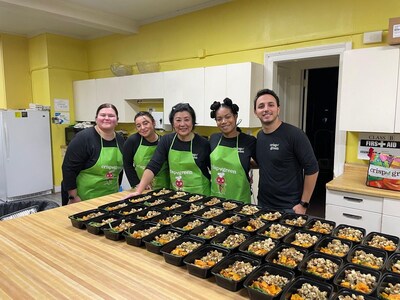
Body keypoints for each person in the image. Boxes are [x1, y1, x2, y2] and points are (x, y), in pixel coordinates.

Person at [253, 89, 319, 214]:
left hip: (290, 207)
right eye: (261, 106)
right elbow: (266, 162)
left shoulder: (294, 134)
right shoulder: (259, 136)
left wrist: (304, 204)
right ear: (255, 112)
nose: (266, 109)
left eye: (271, 105)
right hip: (263, 204)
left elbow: (312, 168)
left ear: (278, 109)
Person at [128, 103, 211, 196]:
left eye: (187, 120)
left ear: (193, 121)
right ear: (173, 123)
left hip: (201, 197)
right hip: (176, 196)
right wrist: (139, 191)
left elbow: (213, 170)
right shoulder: (167, 140)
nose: (182, 124)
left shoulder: (203, 143)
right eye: (178, 120)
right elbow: (153, 165)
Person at [62, 103, 125, 205]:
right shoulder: (83, 138)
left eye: (111, 116)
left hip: (111, 196)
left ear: (117, 120)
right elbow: (68, 168)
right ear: (96, 119)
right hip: (83, 198)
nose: (107, 118)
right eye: (103, 115)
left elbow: (120, 171)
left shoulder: (121, 140)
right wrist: (73, 196)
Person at [209, 98, 256, 203]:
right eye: (219, 119)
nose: (224, 122)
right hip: (216, 200)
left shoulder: (249, 141)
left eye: (227, 117)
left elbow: (262, 163)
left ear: (235, 117)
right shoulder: (213, 139)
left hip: (241, 201)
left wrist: (248, 164)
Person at [122, 111, 169, 190]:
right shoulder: (132, 141)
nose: (142, 128)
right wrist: (137, 183)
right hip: (142, 188)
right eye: (138, 126)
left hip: (163, 188)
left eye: (145, 123)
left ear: (153, 123)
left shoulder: (164, 142)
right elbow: (127, 165)